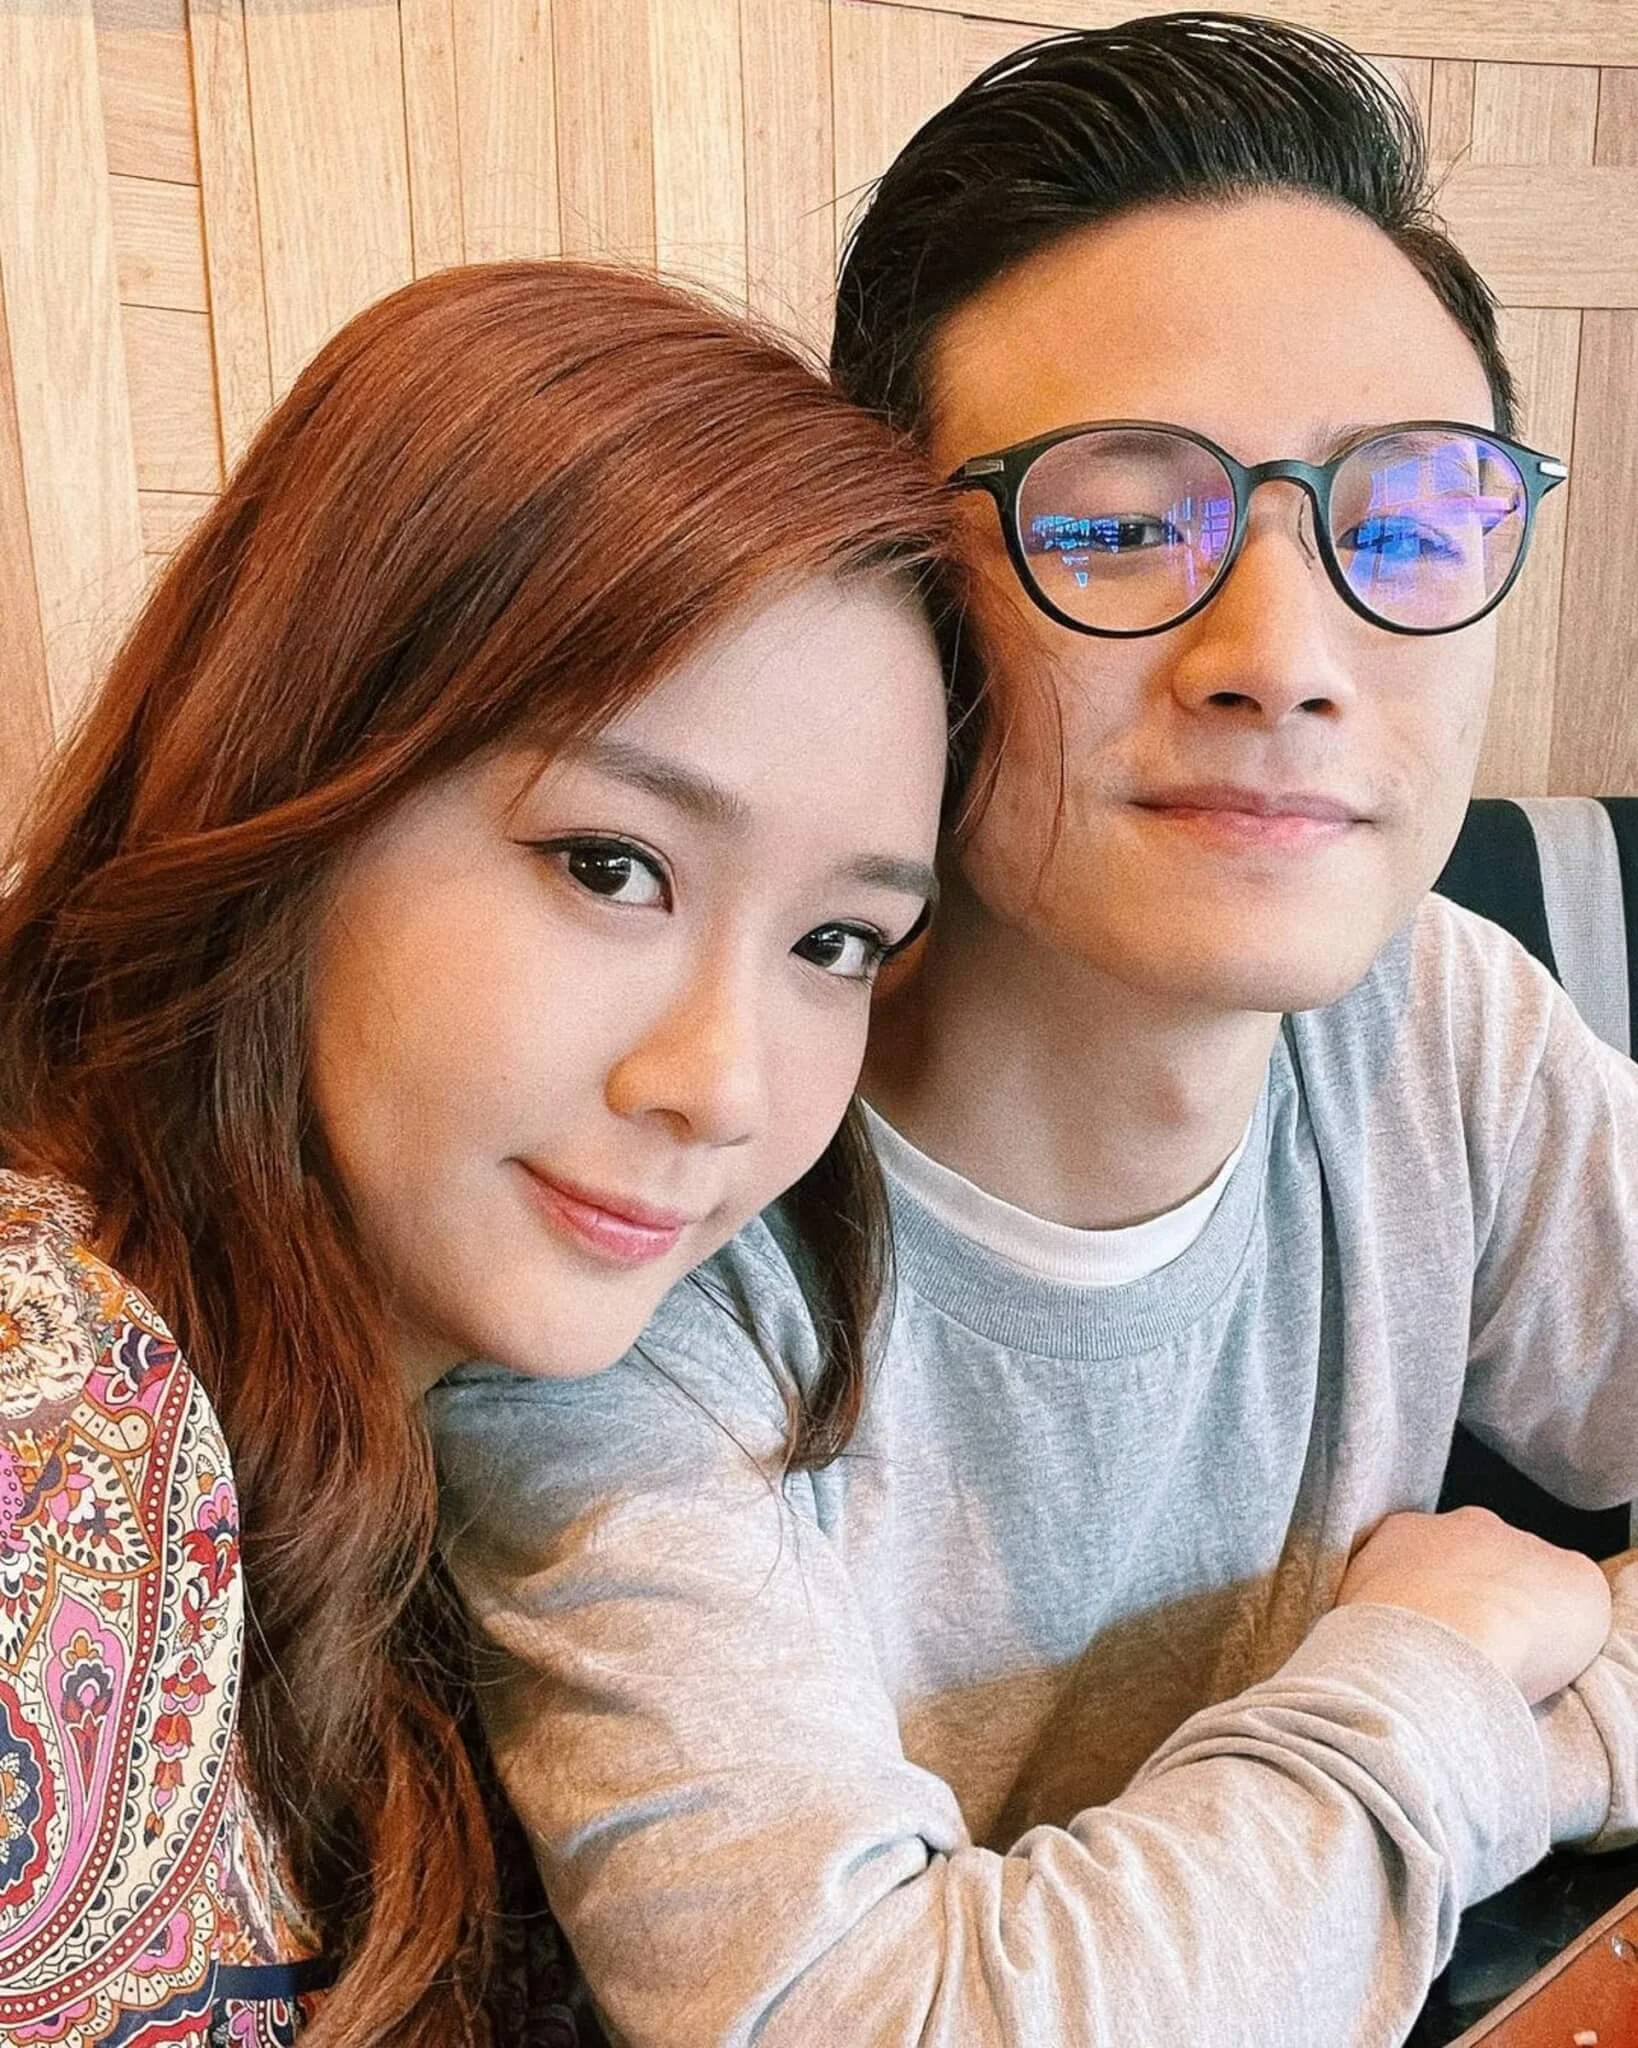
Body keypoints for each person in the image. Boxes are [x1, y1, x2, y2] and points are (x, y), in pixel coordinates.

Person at [430, 16, 1638, 2047]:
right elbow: (852, 2026)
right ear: (895, 590)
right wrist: (1427, 1688)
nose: (1286, 658)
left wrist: (1534, 1728)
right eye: (1116, 523)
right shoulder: (645, 1203)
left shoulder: (1431, 1024)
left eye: (1411, 523)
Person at [0, 260, 963, 2045]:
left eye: (836, 943)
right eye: (611, 866)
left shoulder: (507, 1422)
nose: (721, 1086)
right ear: (298, 772)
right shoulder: (51, 1421)